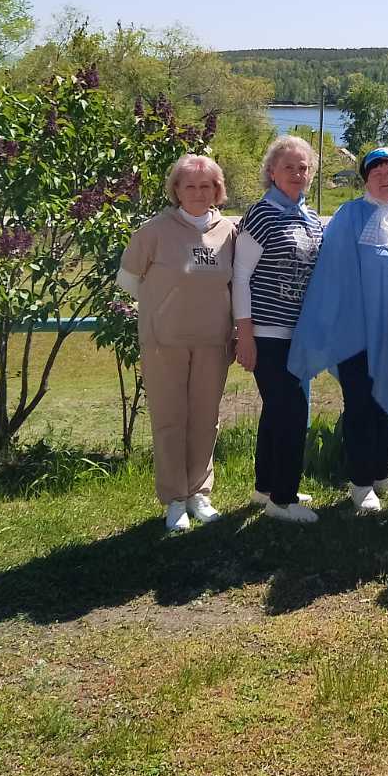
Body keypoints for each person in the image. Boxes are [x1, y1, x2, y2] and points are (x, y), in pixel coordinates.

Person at [290, 146, 388, 512]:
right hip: (357, 334)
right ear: (366, 178)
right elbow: (334, 274)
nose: (387, 177)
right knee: (361, 406)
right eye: (378, 171)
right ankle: (360, 482)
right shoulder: (350, 215)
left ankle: (383, 471)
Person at [117, 154, 239, 532]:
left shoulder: (229, 232)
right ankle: (174, 499)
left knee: (205, 420)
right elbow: (128, 280)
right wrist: (164, 308)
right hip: (164, 343)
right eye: (190, 186)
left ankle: (199, 493)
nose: (199, 193)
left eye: (206, 186)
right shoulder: (154, 231)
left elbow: (238, 285)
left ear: (217, 190)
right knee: (170, 420)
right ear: (176, 190)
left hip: (213, 342)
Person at [233, 135, 324, 524]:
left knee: (277, 413)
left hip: (299, 336)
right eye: (289, 167)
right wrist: (246, 334)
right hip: (268, 333)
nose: (297, 174)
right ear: (272, 172)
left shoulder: (312, 218)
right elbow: (239, 277)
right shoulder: (262, 213)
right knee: (291, 414)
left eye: (303, 168)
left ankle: (266, 487)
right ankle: (284, 501)